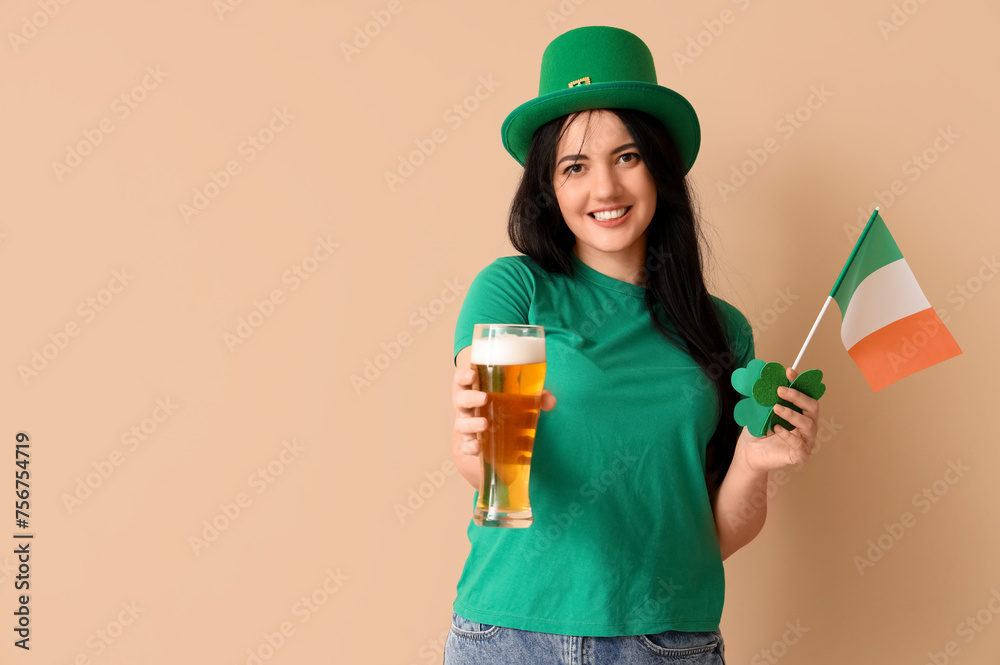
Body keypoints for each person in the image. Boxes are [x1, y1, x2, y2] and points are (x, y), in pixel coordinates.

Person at [445, 26, 820, 664]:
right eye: (574, 166)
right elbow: (494, 476)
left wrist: (754, 462)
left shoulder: (722, 331)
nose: (605, 190)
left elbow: (714, 538)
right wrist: (472, 445)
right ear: (549, 188)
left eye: (627, 157)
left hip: (665, 642)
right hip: (508, 636)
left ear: (660, 167)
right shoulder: (513, 289)